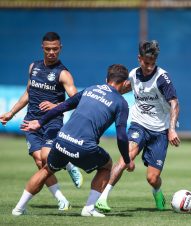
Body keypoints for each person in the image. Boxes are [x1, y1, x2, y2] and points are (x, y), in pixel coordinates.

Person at [12, 64, 135, 217]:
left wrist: (39, 122)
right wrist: (127, 159)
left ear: (106, 79)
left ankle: (18, 208)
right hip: (83, 147)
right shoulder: (121, 103)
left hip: (61, 140)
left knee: (46, 170)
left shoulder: (90, 89)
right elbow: (122, 136)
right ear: (124, 83)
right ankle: (89, 208)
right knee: (106, 166)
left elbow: (62, 106)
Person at [0, 32, 83, 211]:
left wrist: (56, 105)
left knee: (46, 156)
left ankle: (67, 162)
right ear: (42, 48)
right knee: (40, 162)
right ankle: (61, 199)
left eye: (55, 49)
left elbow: (76, 100)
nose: (51, 52)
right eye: (48, 49)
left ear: (60, 48)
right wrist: (11, 113)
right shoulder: (33, 67)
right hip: (31, 122)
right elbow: (28, 93)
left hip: (52, 122)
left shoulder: (63, 74)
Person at [96, 40, 180, 212]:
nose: (149, 67)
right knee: (126, 157)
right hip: (138, 124)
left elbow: (174, 103)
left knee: (152, 178)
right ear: (139, 58)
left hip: (160, 131)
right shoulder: (134, 74)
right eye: (146, 63)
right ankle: (102, 198)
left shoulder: (162, 78)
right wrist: (102, 94)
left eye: (152, 63)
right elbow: (120, 89)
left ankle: (158, 193)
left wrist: (171, 129)